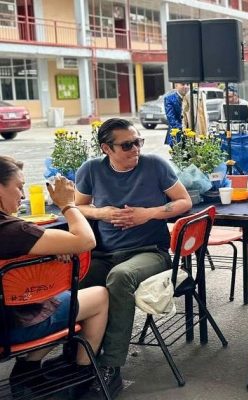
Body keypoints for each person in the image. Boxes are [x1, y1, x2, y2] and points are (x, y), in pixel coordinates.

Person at [74, 118, 192, 395]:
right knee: (71, 280)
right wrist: (102, 212)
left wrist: (146, 214)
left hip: (150, 252)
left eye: (138, 141)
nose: (136, 149)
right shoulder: (91, 169)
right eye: (127, 145)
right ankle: (77, 357)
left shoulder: (155, 165)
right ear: (106, 148)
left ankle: (110, 366)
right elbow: (77, 207)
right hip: (104, 253)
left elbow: (184, 201)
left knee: (121, 277)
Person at [0, 156, 114, 396]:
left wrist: (56, 248)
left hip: (10, 318)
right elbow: (86, 241)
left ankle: (28, 369)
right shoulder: (13, 232)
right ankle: (83, 374)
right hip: (10, 329)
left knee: (57, 297)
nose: (22, 195)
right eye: (19, 187)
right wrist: (68, 205)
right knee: (98, 295)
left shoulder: (15, 231)